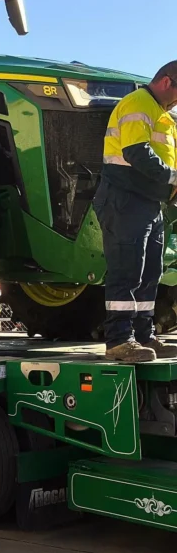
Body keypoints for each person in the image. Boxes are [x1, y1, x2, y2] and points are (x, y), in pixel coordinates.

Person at [93, 61, 177, 362]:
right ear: (166, 82)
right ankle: (119, 341)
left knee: (150, 273)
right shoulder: (138, 103)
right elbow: (136, 151)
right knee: (126, 272)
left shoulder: (163, 115)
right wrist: (173, 177)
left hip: (148, 203)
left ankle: (143, 336)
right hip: (125, 199)